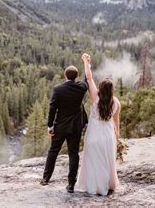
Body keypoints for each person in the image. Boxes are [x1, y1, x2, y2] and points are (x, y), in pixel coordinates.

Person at [77, 53, 120, 196]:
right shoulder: (116, 102)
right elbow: (116, 121)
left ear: (100, 88)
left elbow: (89, 77)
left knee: (93, 161)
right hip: (108, 135)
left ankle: (94, 186)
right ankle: (107, 186)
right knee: (107, 161)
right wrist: (117, 136)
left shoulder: (95, 96)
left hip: (94, 134)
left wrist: (86, 62)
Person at [40, 65, 88, 193]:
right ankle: (71, 184)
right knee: (73, 154)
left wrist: (50, 125)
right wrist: (87, 64)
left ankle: (46, 178)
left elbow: (52, 109)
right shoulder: (82, 88)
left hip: (60, 126)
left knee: (53, 151)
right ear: (76, 76)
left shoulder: (58, 89)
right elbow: (87, 79)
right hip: (75, 127)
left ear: (64, 75)